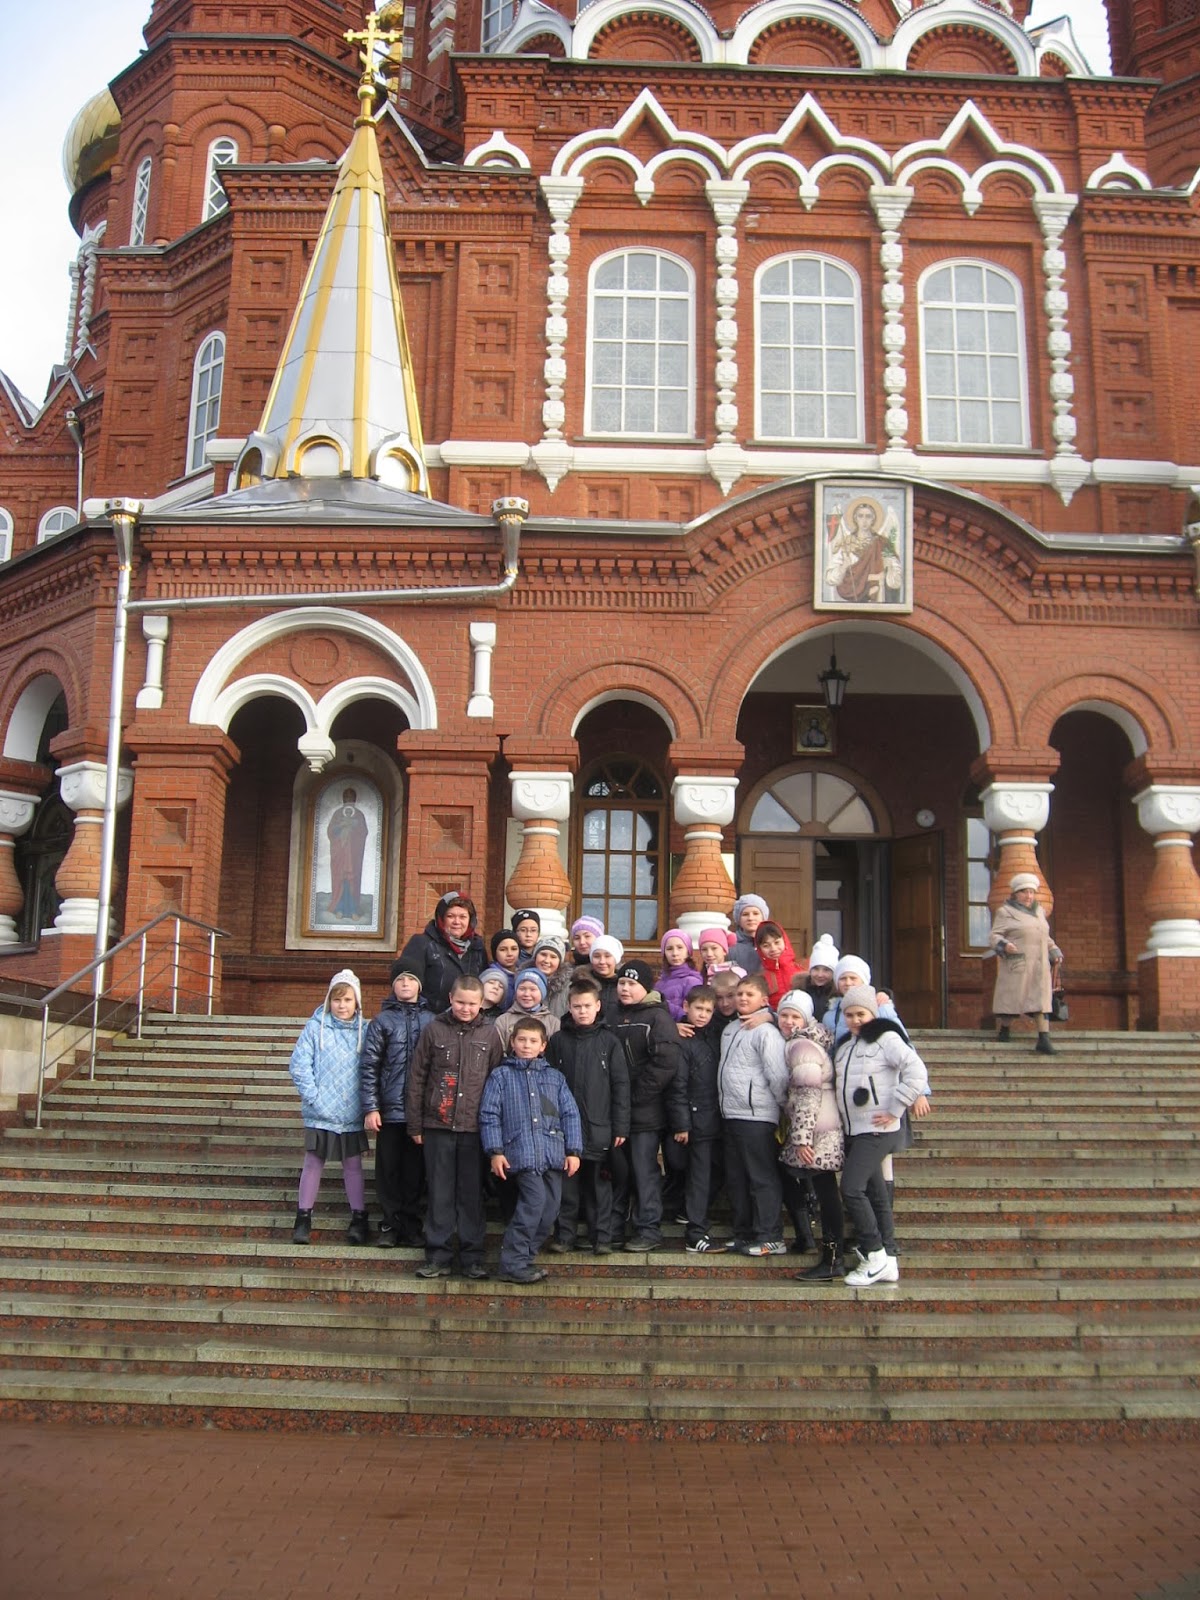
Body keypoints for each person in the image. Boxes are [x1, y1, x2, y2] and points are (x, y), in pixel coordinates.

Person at [405, 974, 503, 1280]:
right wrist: (415, 1123)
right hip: (437, 1125)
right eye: (461, 1002)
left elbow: (498, 1082)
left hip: (475, 1129)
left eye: (472, 1004)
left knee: (471, 1195)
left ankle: (473, 1258)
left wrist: (495, 1131)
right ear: (450, 998)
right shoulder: (433, 1029)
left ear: (481, 1004)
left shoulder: (490, 1034)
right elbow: (417, 1077)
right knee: (440, 1193)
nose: (466, 1008)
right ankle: (438, 1256)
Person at [833, 985, 931, 1287]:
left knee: (850, 1188)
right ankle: (888, 1257)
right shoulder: (845, 1046)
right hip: (855, 1129)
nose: (855, 1020)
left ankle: (874, 1253)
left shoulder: (886, 1039)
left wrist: (896, 1106)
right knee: (875, 1193)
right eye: (849, 1015)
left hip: (878, 1129)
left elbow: (915, 1069)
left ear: (872, 1013)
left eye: (860, 1014)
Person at [479, 1017, 583, 1284]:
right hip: (521, 1154)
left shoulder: (554, 1078)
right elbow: (489, 1114)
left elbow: (569, 1114)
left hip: (551, 1154)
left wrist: (573, 1150)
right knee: (533, 1205)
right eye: (521, 1040)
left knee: (550, 1210)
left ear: (543, 1046)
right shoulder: (501, 1076)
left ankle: (524, 1258)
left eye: (533, 1041)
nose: (527, 1045)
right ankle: (512, 1262)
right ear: (512, 1042)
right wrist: (495, 1151)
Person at [545, 979, 630, 1253]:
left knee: (599, 1187)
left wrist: (621, 1125)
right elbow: (547, 1084)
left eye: (587, 1006)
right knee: (567, 1187)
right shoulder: (557, 1041)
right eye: (577, 1006)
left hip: (600, 1126)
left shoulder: (610, 1041)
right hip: (564, 1129)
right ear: (569, 1007)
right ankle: (565, 1236)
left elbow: (621, 1086)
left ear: (598, 1006)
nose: (582, 1011)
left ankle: (601, 1237)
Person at [288, 969, 370, 1246]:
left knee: (353, 1164)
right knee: (313, 1162)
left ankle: (359, 1217)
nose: (342, 1005)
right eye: (337, 1000)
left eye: (347, 1000)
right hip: (321, 1111)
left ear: (356, 1002)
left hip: (351, 1112)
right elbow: (299, 1064)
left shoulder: (366, 1031)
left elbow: (371, 1069)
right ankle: (303, 1216)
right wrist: (314, 1097)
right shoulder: (315, 1027)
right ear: (329, 1001)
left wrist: (365, 1103)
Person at [359, 962, 433, 1248]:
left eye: (410, 979)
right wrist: (371, 1107)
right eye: (400, 979)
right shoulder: (382, 1022)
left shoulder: (432, 1020)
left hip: (420, 1112)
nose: (405, 984)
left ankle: (412, 1225)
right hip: (389, 1110)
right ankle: (390, 1223)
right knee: (388, 1170)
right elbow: (369, 1067)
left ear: (419, 986)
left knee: (415, 1171)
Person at [613, 958, 685, 1252]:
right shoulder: (612, 1014)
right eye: (621, 983)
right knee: (618, 1172)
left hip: (645, 1113)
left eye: (631, 984)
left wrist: (632, 1098)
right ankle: (615, 1226)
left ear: (645, 987)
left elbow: (664, 1066)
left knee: (644, 1171)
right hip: (617, 1113)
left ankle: (648, 1228)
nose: (625, 989)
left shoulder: (658, 1018)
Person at [717, 972, 790, 1257]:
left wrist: (783, 1107)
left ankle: (771, 1235)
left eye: (749, 995)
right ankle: (743, 1232)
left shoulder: (766, 1031)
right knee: (736, 1178)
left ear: (763, 999)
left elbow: (777, 1074)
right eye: (739, 994)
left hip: (757, 1115)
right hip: (731, 1113)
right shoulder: (730, 1029)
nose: (742, 999)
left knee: (761, 1177)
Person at [778, 991, 846, 1282]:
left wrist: (802, 1137)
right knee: (823, 1188)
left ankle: (832, 1257)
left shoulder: (801, 1047)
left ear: (806, 1020)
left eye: (795, 1016)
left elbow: (807, 1094)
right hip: (823, 1126)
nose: (789, 1022)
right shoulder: (809, 1042)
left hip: (817, 1130)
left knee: (826, 1191)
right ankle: (831, 1254)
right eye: (784, 1015)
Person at [671, 985, 726, 1253]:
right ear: (685, 1007)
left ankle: (688, 1212)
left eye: (708, 1010)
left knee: (717, 1171)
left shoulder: (714, 1036)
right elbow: (678, 1085)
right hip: (696, 1119)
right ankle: (695, 1230)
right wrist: (682, 1123)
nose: (702, 1015)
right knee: (699, 1175)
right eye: (698, 1009)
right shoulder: (681, 1039)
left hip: (717, 1116)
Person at [988, 872, 1064, 1055]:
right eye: (1024, 892)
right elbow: (994, 936)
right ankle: (1005, 1029)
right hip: (1018, 963)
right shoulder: (1005, 912)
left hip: (1040, 965)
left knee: (1041, 1001)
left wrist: (1054, 950)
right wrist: (1004, 945)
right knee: (1012, 999)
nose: (1029, 896)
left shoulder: (1039, 912)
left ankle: (1044, 1039)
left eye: (1031, 892)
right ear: (1015, 893)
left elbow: (1044, 936)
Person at [396, 890, 487, 1014]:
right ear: (441, 919)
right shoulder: (422, 944)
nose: (457, 922)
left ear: (470, 920)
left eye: (462, 917)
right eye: (450, 916)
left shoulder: (478, 948)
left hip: (467, 1020)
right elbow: (404, 981)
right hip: (428, 1020)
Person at [824, 495, 903, 605]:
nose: (864, 520)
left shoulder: (882, 543)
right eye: (860, 516)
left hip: (878, 597)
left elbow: (896, 579)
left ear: (873, 519)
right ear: (855, 518)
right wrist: (843, 567)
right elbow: (830, 578)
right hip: (850, 595)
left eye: (868, 516)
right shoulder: (845, 544)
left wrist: (888, 569)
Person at [494, 968, 562, 1053]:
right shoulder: (503, 1021)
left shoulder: (553, 1023)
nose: (526, 994)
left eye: (533, 989)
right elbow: (498, 1053)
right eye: (522, 989)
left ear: (542, 992)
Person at [326, 788, 368, 920]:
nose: (349, 800)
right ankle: (339, 909)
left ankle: (353, 910)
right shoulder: (337, 814)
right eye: (347, 797)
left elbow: (363, 832)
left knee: (352, 880)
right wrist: (341, 826)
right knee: (340, 880)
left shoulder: (359, 815)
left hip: (353, 856)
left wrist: (354, 826)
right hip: (340, 855)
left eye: (351, 798)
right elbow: (331, 832)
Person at [657, 927, 703, 1020]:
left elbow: (693, 1013)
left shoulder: (692, 981)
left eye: (680, 947)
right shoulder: (660, 982)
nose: (675, 953)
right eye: (669, 949)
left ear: (688, 951)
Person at [754, 920, 801, 1007]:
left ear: (785, 941)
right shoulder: (760, 978)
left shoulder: (800, 969)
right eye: (766, 946)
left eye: (777, 942)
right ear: (759, 949)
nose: (773, 949)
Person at [587, 933, 624, 1023]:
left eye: (607, 956)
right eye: (597, 956)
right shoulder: (583, 984)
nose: (602, 961)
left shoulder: (625, 986)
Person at [532, 935, 572, 1018]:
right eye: (543, 954)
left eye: (553, 957)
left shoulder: (568, 987)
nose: (546, 960)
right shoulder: (522, 982)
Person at [729, 894, 768, 974]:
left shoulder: (772, 943)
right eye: (745, 914)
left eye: (756, 913)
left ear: (763, 917)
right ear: (738, 919)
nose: (750, 918)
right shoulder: (730, 945)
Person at [804, 935, 840, 1018]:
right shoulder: (802, 989)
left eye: (826, 970)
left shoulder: (839, 992)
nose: (820, 975)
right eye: (816, 969)